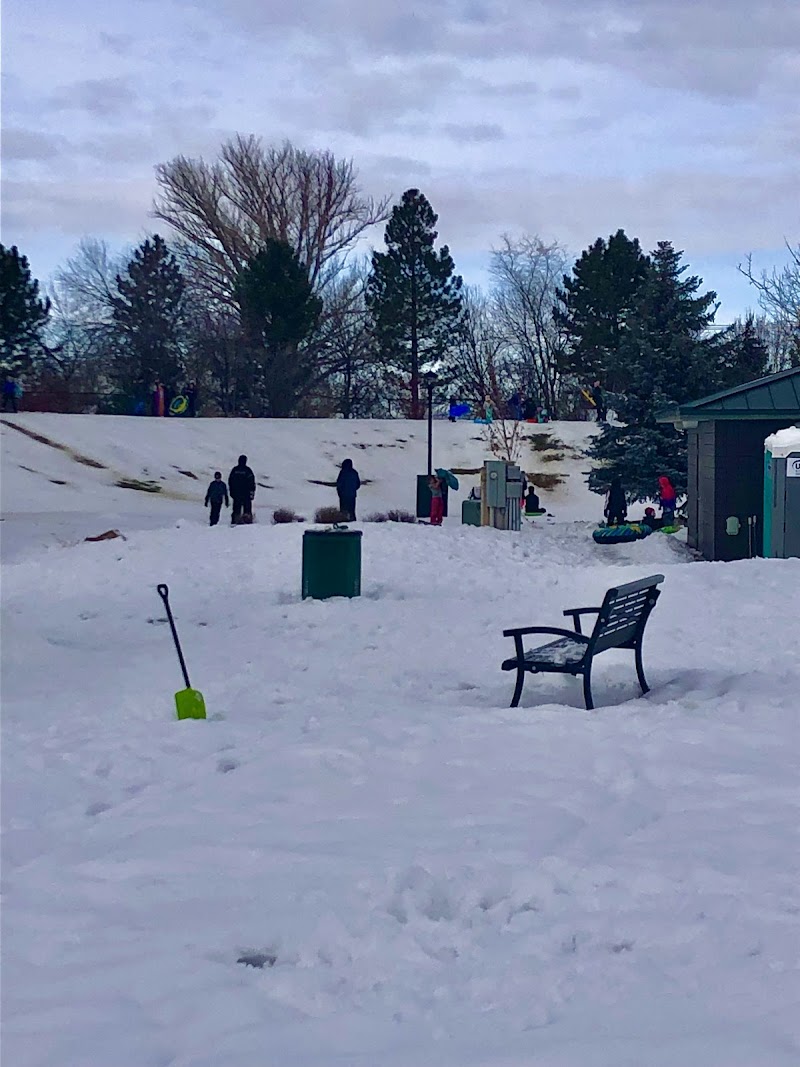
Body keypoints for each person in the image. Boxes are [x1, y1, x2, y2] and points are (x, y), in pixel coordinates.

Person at [228, 454, 256, 525]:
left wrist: (231, 491)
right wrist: (252, 493)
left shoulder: (235, 470)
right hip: (245, 494)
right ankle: (247, 522)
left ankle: (235, 522)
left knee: (236, 509)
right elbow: (252, 482)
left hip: (237, 494)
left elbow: (230, 481)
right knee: (246, 509)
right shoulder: (248, 470)